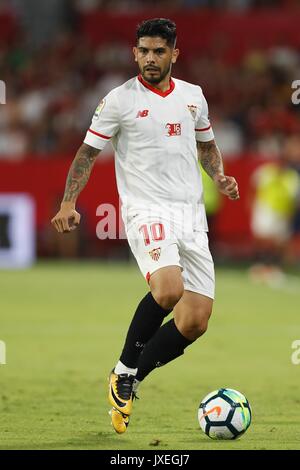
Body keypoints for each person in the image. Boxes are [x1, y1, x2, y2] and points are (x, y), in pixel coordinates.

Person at [51, 18, 239, 434]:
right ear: (134, 53)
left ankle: (130, 379)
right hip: (146, 211)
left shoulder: (193, 97)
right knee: (168, 289)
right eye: (143, 51)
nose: (150, 58)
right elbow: (86, 154)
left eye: (158, 51)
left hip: (190, 215)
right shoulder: (118, 100)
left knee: (195, 321)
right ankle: (123, 370)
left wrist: (219, 176)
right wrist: (68, 201)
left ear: (174, 54)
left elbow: (206, 146)